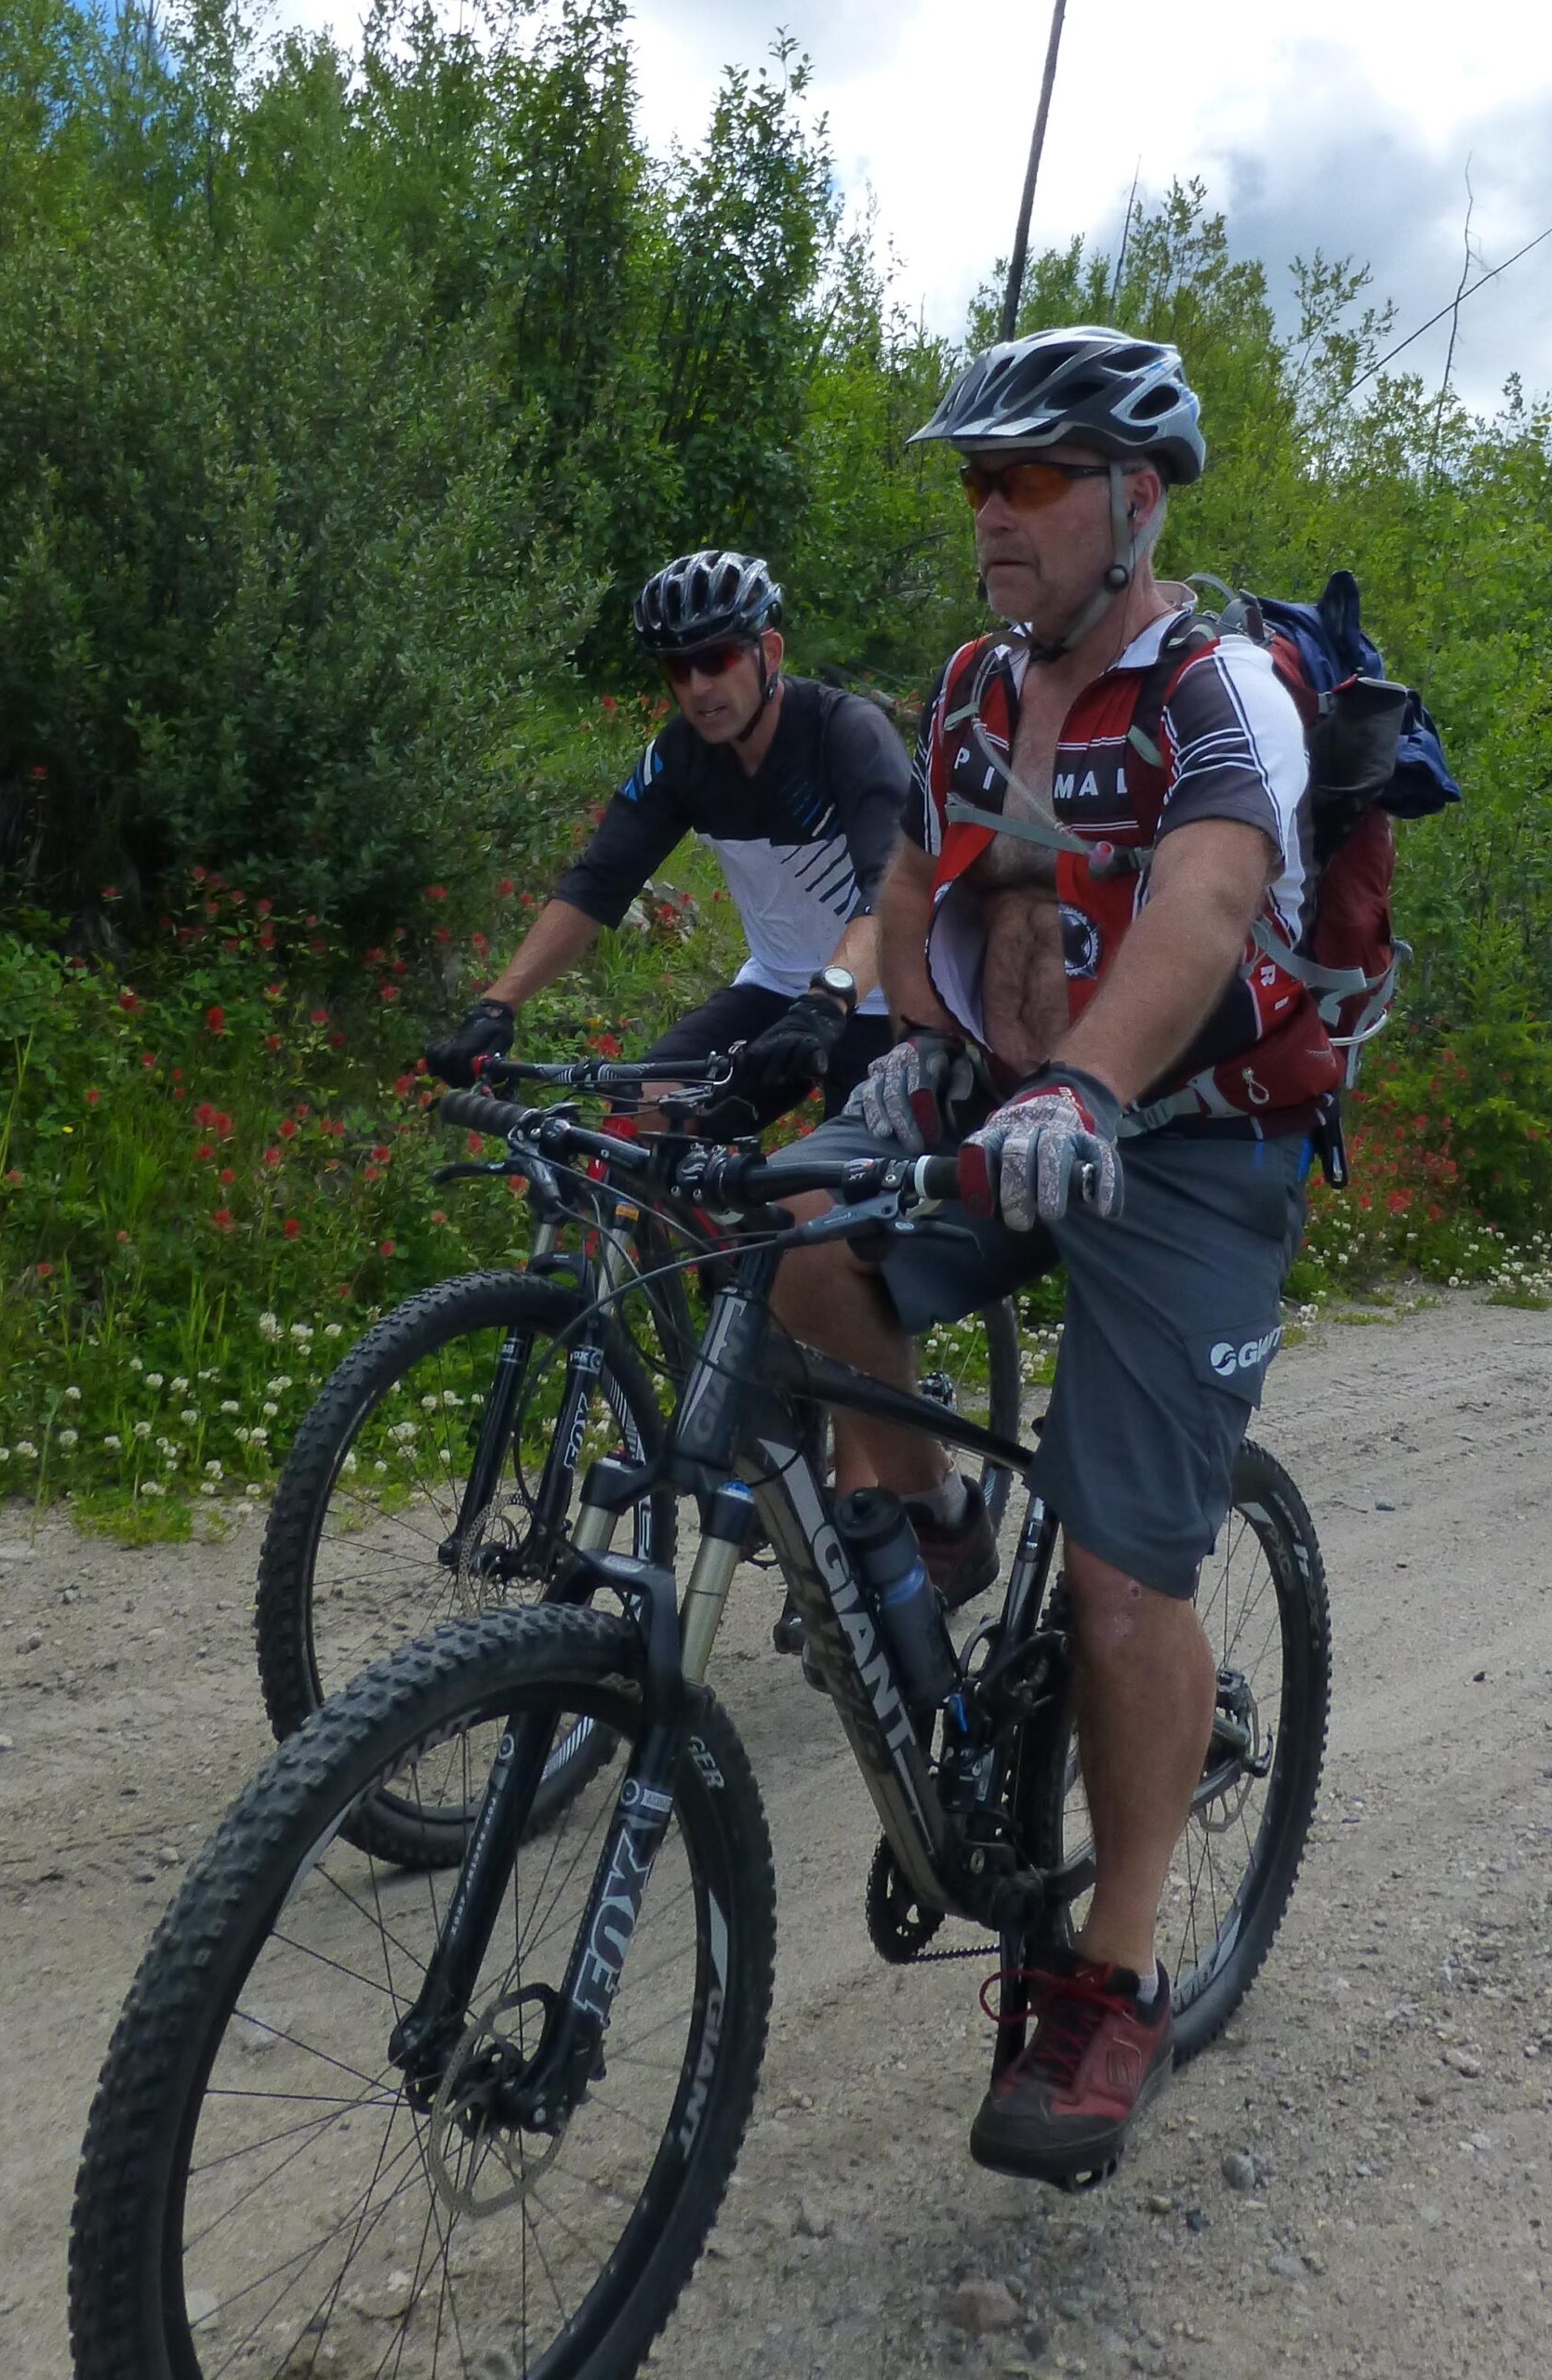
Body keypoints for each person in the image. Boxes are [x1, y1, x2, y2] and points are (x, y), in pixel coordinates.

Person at [771, 325, 1342, 2188]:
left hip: (1179, 1142)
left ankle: (1115, 1966)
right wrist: (854, 1019)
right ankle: (926, 1521)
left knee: (1114, 1581)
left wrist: (1090, 1088)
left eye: (1025, 478)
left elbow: (1207, 896)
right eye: (973, 480)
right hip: (1003, 1102)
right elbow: (928, 883)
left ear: (1136, 496)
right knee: (796, 1229)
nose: (987, 515)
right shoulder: (963, 684)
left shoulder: (1216, 686)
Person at [424, 550, 909, 1136]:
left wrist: (830, 998)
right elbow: (598, 884)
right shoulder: (679, 757)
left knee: (830, 1210)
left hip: (885, 996)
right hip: (779, 988)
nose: (698, 687)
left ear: (770, 653)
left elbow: (893, 891)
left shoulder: (847, 733)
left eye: (717, 658)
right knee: (642, 1112)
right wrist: (497, 1006)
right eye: (677, 669)